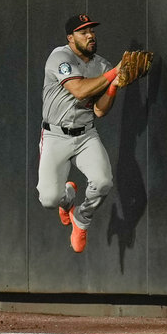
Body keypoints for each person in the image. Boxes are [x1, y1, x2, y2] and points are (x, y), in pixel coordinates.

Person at [37, 14, 121, 253]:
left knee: (103, 182)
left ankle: (81, 219)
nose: (90, 35)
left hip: (86, 135)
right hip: (55, 136)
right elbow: (79, 90)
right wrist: (114, 74)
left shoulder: (102, 65)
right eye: (83, 32)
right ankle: (67, 196)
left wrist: (113, 86)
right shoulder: (60, 57)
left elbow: (99, 110)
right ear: (70, 38)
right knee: (48, 200)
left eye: (92, 30)